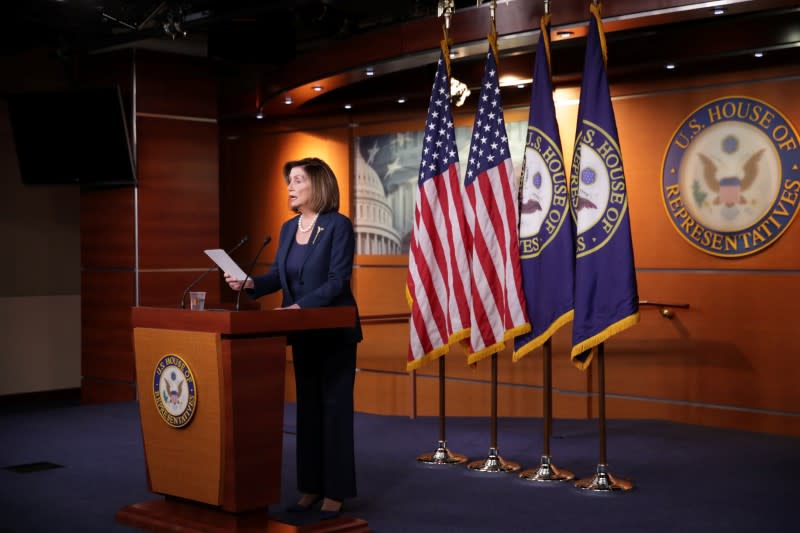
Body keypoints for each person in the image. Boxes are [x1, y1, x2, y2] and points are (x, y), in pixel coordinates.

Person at [224, 157, 361, 519]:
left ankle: (336, 491)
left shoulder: (338, 226)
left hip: (333, 333)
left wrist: (300, 307)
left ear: (317, 185)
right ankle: (311, 486)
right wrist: (251, 283)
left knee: (334, 412)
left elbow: (336, 281)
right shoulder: (287, 228)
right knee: (308, 412)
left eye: (297, 180)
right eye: (290, 181)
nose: (290, 187)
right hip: (301, 334)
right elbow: (279, 276)